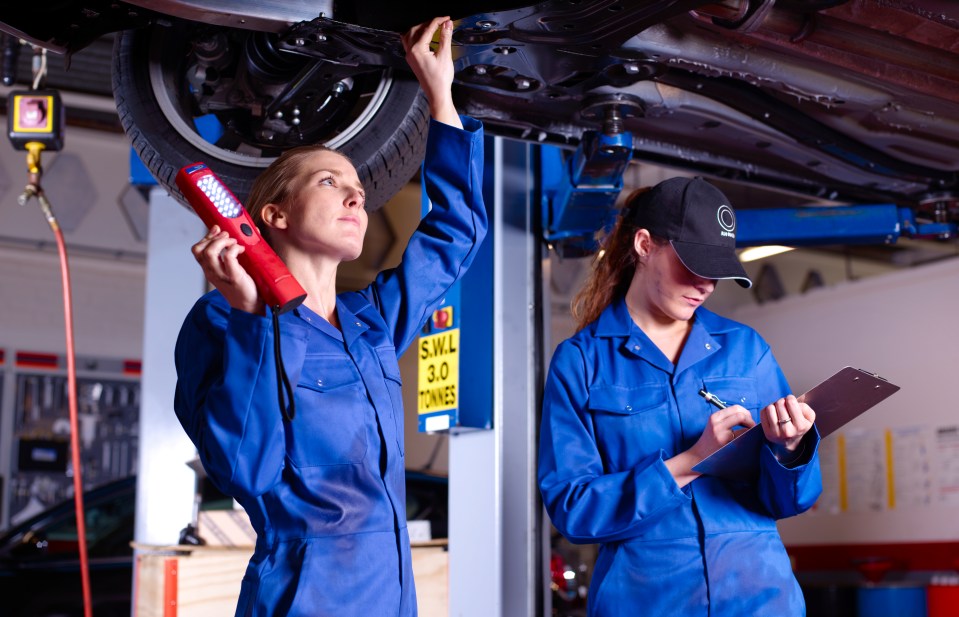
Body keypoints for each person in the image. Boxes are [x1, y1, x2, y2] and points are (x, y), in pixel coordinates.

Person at [173, 17, 485, 616]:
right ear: (275, 216)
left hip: (392, 599)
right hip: (305, 599)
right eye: (328, 181)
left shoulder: (370, 326)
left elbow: (455, 235)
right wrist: (248, 318)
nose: (356, 197)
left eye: (359, 191)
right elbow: (248, 471)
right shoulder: (221, 322)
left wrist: (440, 96)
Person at [538, 177, 823, 616]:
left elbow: (790, 500)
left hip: (761, 598)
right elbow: (572, 510)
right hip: (648, 603)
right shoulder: (582, 362)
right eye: (693, 264)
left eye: (717, 270)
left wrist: (789, 449)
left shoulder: (746, 351)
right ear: (645, 245)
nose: (706, 284)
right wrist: (689, 462)